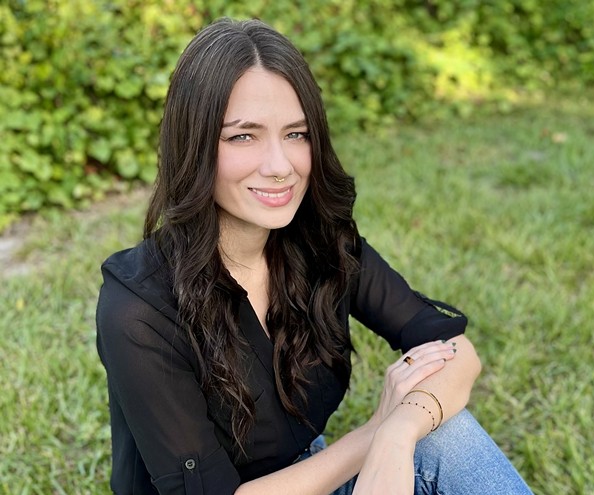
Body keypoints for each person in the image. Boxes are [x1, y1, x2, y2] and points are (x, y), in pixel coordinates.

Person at [96, 17, 532, 495]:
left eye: (296, 134)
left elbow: (454, 351)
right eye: (243, 135)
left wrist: (400, 432)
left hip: (309, 478)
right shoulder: (139, 309)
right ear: (194, 145)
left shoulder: (317, 243)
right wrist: (373, 436)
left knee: (447, 436)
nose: (280, 166)